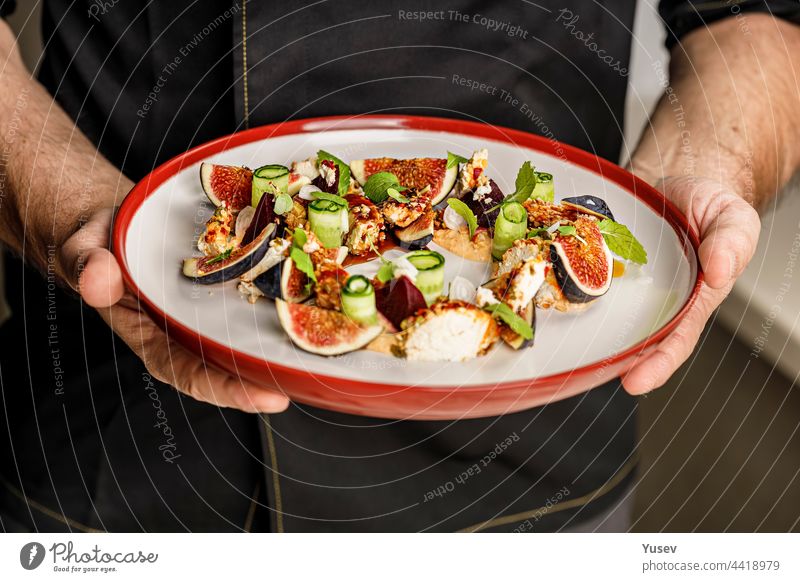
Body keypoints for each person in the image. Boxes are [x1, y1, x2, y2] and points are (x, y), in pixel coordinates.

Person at [0, 1, 798, 532]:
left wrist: (696, 176)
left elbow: (760, 21)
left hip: (533, 468)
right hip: (107, 445)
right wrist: (70, 206)